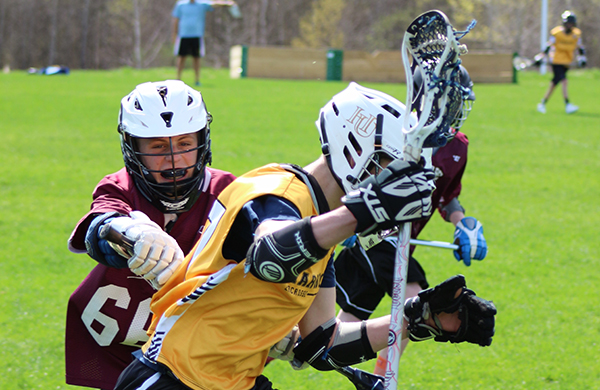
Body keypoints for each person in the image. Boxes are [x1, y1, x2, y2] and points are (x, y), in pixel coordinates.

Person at [112, 82, 497, 390]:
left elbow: (321, 344)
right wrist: (365, 210)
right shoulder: (278, 192)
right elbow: (270, 255)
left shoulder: (321, 228)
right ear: (356, 149)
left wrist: (416, 320)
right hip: (173, 377)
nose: (394, 185)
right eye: (388, 167)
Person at [65, 80, 236, 389]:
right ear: (133, 148)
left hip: (201, 350)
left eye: (185, 143)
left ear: (202, 140)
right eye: (158, 146)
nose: (174, 157)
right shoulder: (120, 187)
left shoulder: (229, 192)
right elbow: (99, 226)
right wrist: (129, 232)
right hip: (120, 349)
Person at [335, 66, 488, 376]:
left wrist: (463, 223)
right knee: (418, 304)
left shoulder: (458, 147)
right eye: (453, 101)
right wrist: (348, 219)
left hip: (400, 243)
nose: (459, 110)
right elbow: (359, 178)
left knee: (335, 333)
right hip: (377, 235)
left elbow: (444, 196)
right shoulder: (397, 131)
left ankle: (273, 351)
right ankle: (382, 378)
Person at [172, 0, 237, 86]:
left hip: (197, 34)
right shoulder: (181, 4)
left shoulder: (201, 4)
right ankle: (178, 79)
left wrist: (226, 3)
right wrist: (174, 33)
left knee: (196, 58)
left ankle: (197, 80)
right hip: (184, 34)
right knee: (181, 57)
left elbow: (214, 4)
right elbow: (176, 19)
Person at [537, 10, 586, 114]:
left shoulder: (576, 34)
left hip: (567, 62)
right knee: (564, 81)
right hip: (556, 60)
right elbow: (549, 45)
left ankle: (542, 103)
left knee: (554, 83)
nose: (569, 26)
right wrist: (542, 56)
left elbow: (580, 47)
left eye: (571, 24)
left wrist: (582, 58)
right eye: (568, 24)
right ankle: (567, 104)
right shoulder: (557, 33)